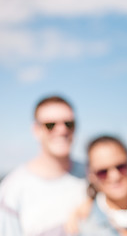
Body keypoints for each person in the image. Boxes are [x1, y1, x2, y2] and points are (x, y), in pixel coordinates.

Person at [0, 95, 87, 236]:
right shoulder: (12, 192)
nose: (62, 130)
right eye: (50, 125)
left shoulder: (97, 175)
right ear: (36, 130)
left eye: (68, 123)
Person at [75, 135, 127, 236]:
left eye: (120, 167)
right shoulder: (83, 227)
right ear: (91, 176)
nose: (115, 176)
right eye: (103, 172)